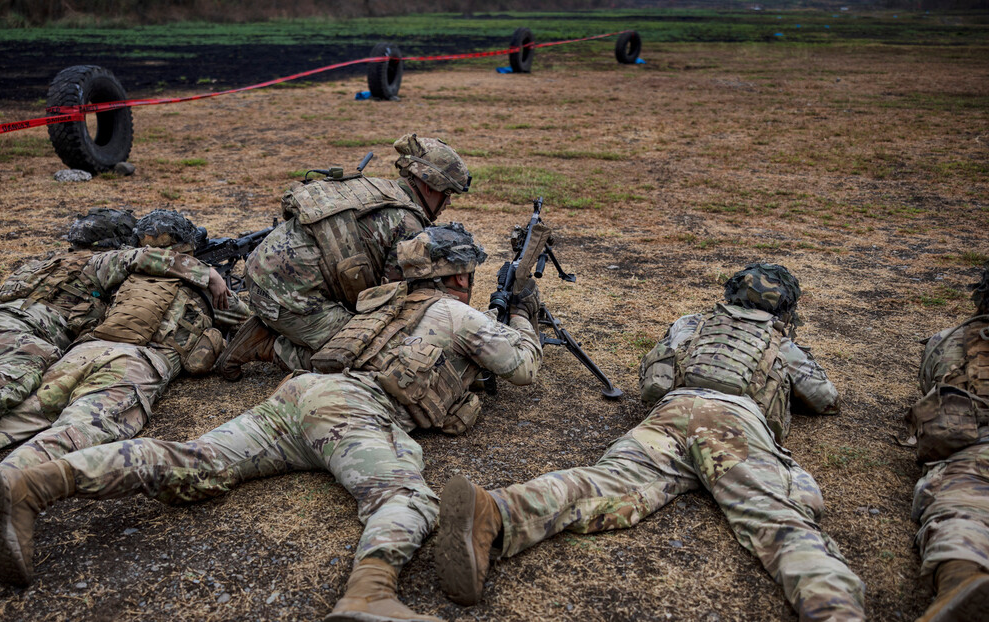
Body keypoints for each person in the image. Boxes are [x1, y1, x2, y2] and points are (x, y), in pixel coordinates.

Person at [0, 224, 540, 622]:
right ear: (459, 276)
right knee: (405, 496)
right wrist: (521, 313)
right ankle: (371, 594)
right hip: (355, 413)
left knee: (194, 458)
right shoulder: (456, 312)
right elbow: (523, 367)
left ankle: (32, 485)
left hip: (298, 396)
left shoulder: (378, 302)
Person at [433, 263, 867, 622]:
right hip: (735, 423)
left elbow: (653, 384)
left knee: (606, 483)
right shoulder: (781, 341)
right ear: (786, 308)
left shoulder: (691, 325)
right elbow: (825, 399)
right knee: (773, 515)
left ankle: (498, 510)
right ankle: (834, 608)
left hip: (670, 414)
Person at [0, 209, 249, 577]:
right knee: (74, 433)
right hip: (135, 363)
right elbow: (246, 330)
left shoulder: (120, 269)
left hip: (83, 351)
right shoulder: (206, 285)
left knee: (17, 418)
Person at [215, 133, 471, 377]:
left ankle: (279, 324)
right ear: (428, 186)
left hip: (262, 276)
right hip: (288, 297)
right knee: (369, 357)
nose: (448, 202)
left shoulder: (378, 188)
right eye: (447, 193)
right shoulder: (408, 224)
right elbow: (389, 302)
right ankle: (268, 346)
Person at [905, 265, 989, 621]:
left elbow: (932, 385)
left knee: (959, 509)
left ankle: (962, 579)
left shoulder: (948, 340)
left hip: (974, 446)